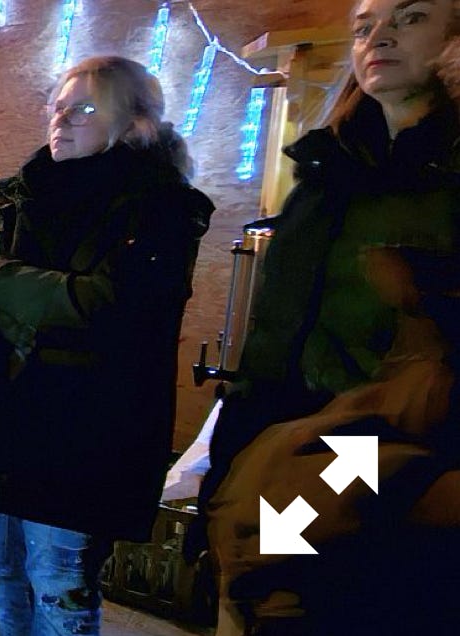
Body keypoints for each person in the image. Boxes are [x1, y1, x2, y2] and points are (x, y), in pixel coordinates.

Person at [196, 0, 460, 631]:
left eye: (411, 17)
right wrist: (232, 458)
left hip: (393, 458)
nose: (379, 36)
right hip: (299, 445)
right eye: (364, 26)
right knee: (262, 587)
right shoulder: (328, 175)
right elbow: (275, 337)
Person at [0, 56, 212, 636]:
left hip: (81, 432)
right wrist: (17, 328)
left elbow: (109, 308)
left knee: (60, 585)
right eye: (57, 107)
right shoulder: (17, 195)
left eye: (83, 108)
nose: (61, 119)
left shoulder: (160, 206)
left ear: (133, 122)